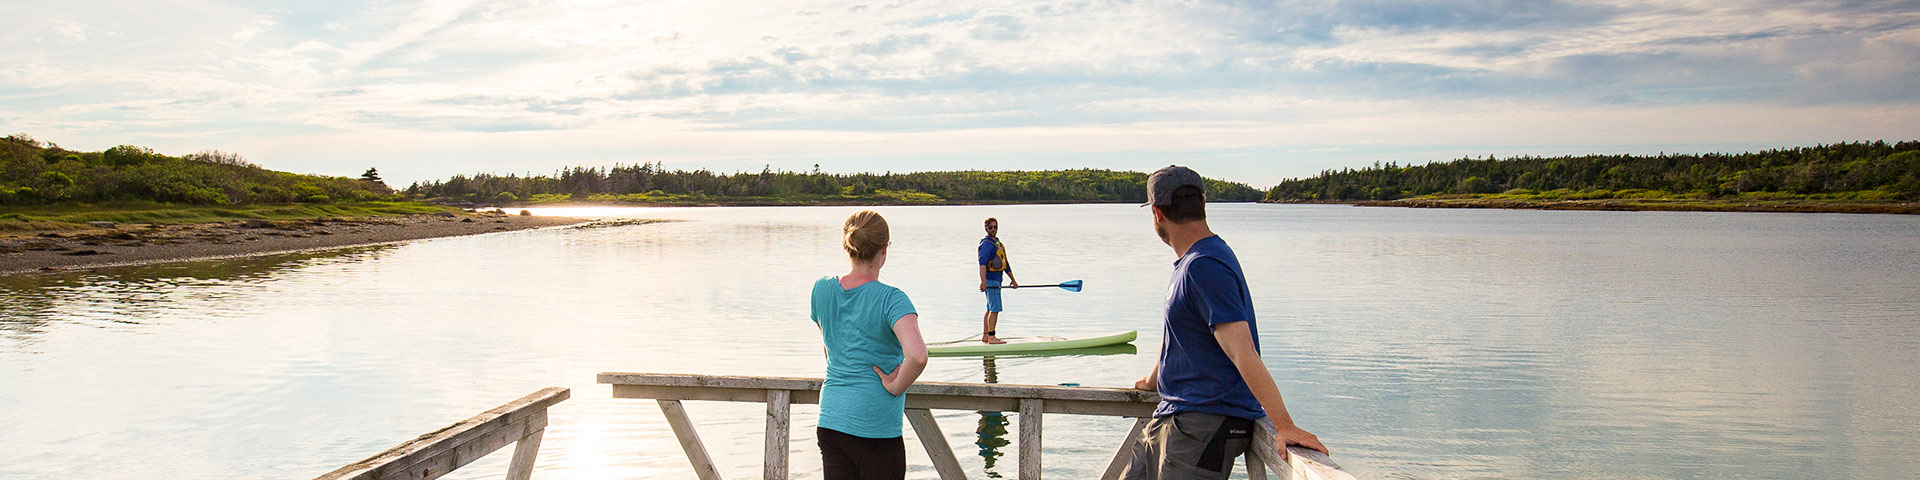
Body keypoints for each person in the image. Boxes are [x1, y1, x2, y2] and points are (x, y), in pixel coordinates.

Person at [1121, 166, 1328, 480]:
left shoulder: (1204, 265)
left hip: (1201, 426)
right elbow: (1180, 338)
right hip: (1174, 418)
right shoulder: (1194, 262)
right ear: (1202, 204)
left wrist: (1284, 424)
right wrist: (1152, 382)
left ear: (1157, 214)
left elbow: (1240, 351)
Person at [811, 210, 929, 480]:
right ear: (884, 249)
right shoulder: (892, 300)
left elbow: (829, 346)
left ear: (847, 245)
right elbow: (918, 356)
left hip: (831, 419)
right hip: (874, 426)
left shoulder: (821, 289)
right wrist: (895, 385)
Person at [977, 217, 1018, 344]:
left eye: (995, 227)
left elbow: (1006, 263)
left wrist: (1013, 280)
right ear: (986, 228)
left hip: (997, 280)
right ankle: (991, 337)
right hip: (991, 281)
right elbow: (982, 264)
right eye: (990, 227)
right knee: (995, 309)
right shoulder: (986, 245)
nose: (993, 229)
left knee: (990, 308)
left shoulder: (997, 243)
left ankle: (985, 336)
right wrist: (983, 282)